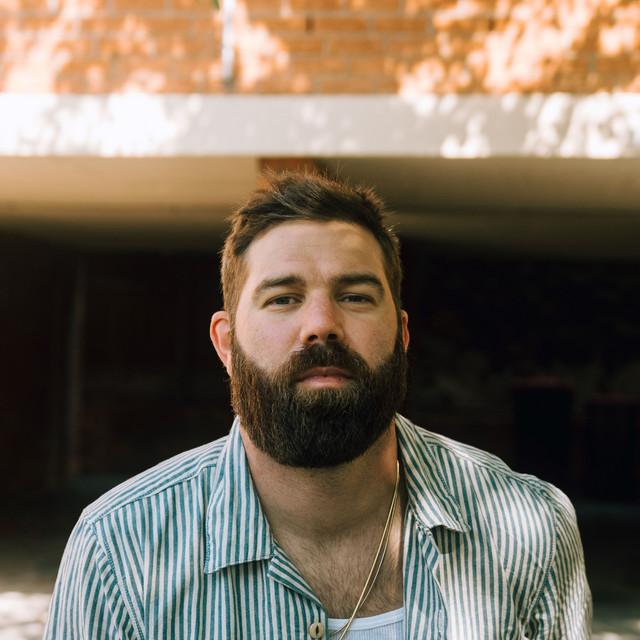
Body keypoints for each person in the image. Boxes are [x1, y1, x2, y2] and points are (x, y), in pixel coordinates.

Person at [44, 170, 591, 639]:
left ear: (402, 336)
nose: (322, 324)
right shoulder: (119, 549)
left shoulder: (530, 527)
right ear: (226, 345)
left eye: (355, 296)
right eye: (283, 298)